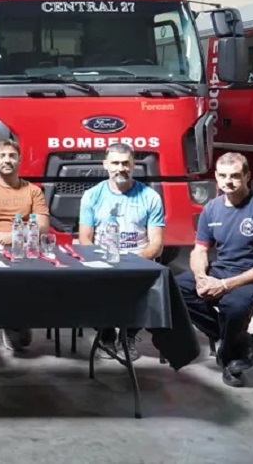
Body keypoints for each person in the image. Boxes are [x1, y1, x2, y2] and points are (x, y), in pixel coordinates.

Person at [176, 152, 253, 387]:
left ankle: (230, 357)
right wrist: (201, 278)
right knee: (177, 288)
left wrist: (226, 285)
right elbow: (199, 251)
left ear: (247, 176)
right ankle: (243, 343)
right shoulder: (212, 208)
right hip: (222, 271)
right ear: (216, 177)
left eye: (236, 176)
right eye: (223, 176)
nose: (228, 181)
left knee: (232, 304)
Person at [78, 142, 164, 361]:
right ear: (105, 164)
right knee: (87, 285)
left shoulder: (150, 197)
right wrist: (100, 261)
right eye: (115, 163)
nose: (120, 168)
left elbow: (156, 244)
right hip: (103, 259)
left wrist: (134, 261)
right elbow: (85, 239)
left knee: (150, 284)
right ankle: (106, 335)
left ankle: (129, 336)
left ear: (133, 164)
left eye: (125, 163)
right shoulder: (91, 195)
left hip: (138, 259)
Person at [0, 139, 50, 352]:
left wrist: (12, 238)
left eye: (12, 156)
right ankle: (12, 320)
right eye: (2, 156)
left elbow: (42, 227)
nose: (7, 160)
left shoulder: (34, 191)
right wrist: (2, 239)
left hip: (26, 249)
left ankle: (17, 319)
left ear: (19, 160)